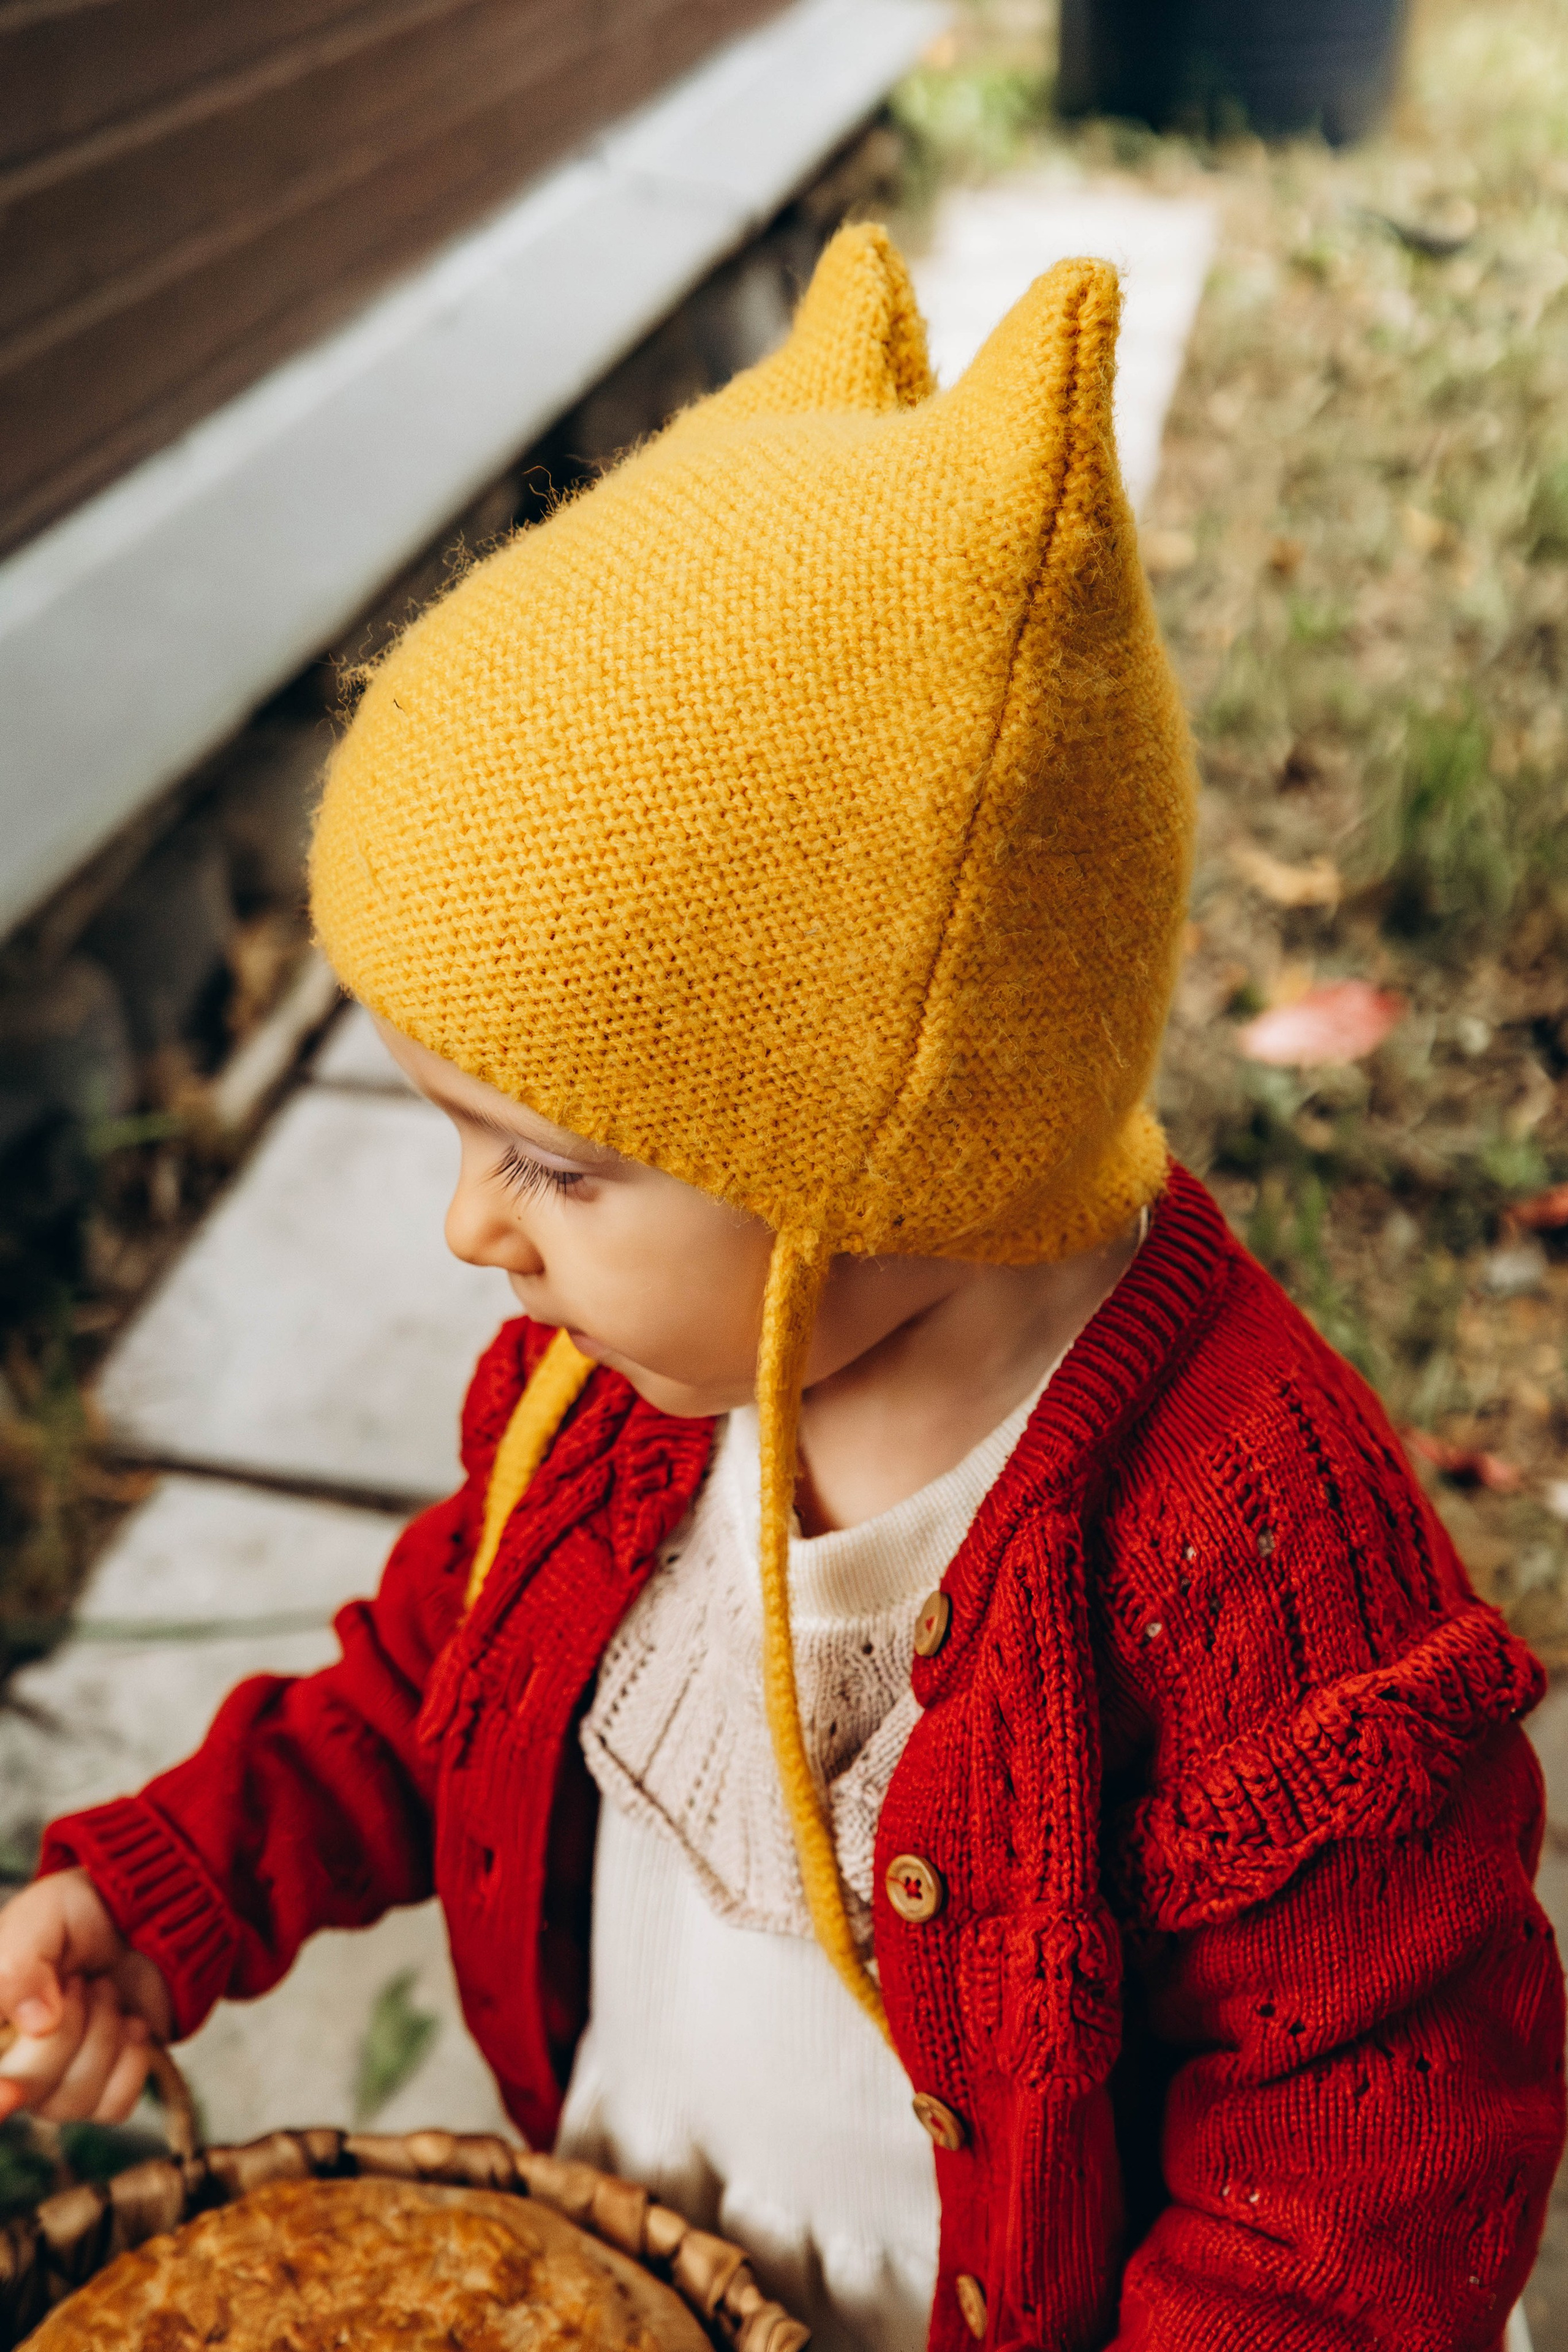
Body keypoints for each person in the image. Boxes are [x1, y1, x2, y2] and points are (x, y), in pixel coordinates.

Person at [0, 227, 1558, 2352]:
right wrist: (167, 1892)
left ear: (889, 1148)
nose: (472, 1229)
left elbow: (1364, 2156)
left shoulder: (1244, 1551)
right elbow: (423, 1691)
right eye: (450, 1133)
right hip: (614, 2268)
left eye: (550, 1162)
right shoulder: (612, 1393)